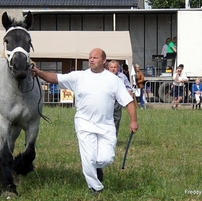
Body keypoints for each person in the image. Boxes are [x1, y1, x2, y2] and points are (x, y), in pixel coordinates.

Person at [31, 48, 138, 194]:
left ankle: (96, 168)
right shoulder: (79, 77)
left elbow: (128, 101)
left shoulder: (113, 80)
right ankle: (95, 188)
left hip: (106, 125)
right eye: (90, 57)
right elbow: (56, 78)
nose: (91, 60)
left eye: (95, 57)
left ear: (104, 60)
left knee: (106, 158)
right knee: (88, 158)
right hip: (84, 123)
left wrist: (133, 121)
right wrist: (38, 72)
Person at [105, 60, 132, 137]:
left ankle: (114, 137)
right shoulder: (104, 76)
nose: (113, 69)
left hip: (117, 102)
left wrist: (127, 93)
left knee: (116, 120)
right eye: (111, 67)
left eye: (115, 67)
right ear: (108, 68)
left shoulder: (122, 77)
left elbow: (128, 87)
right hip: (106, 101)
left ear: (118, 68)